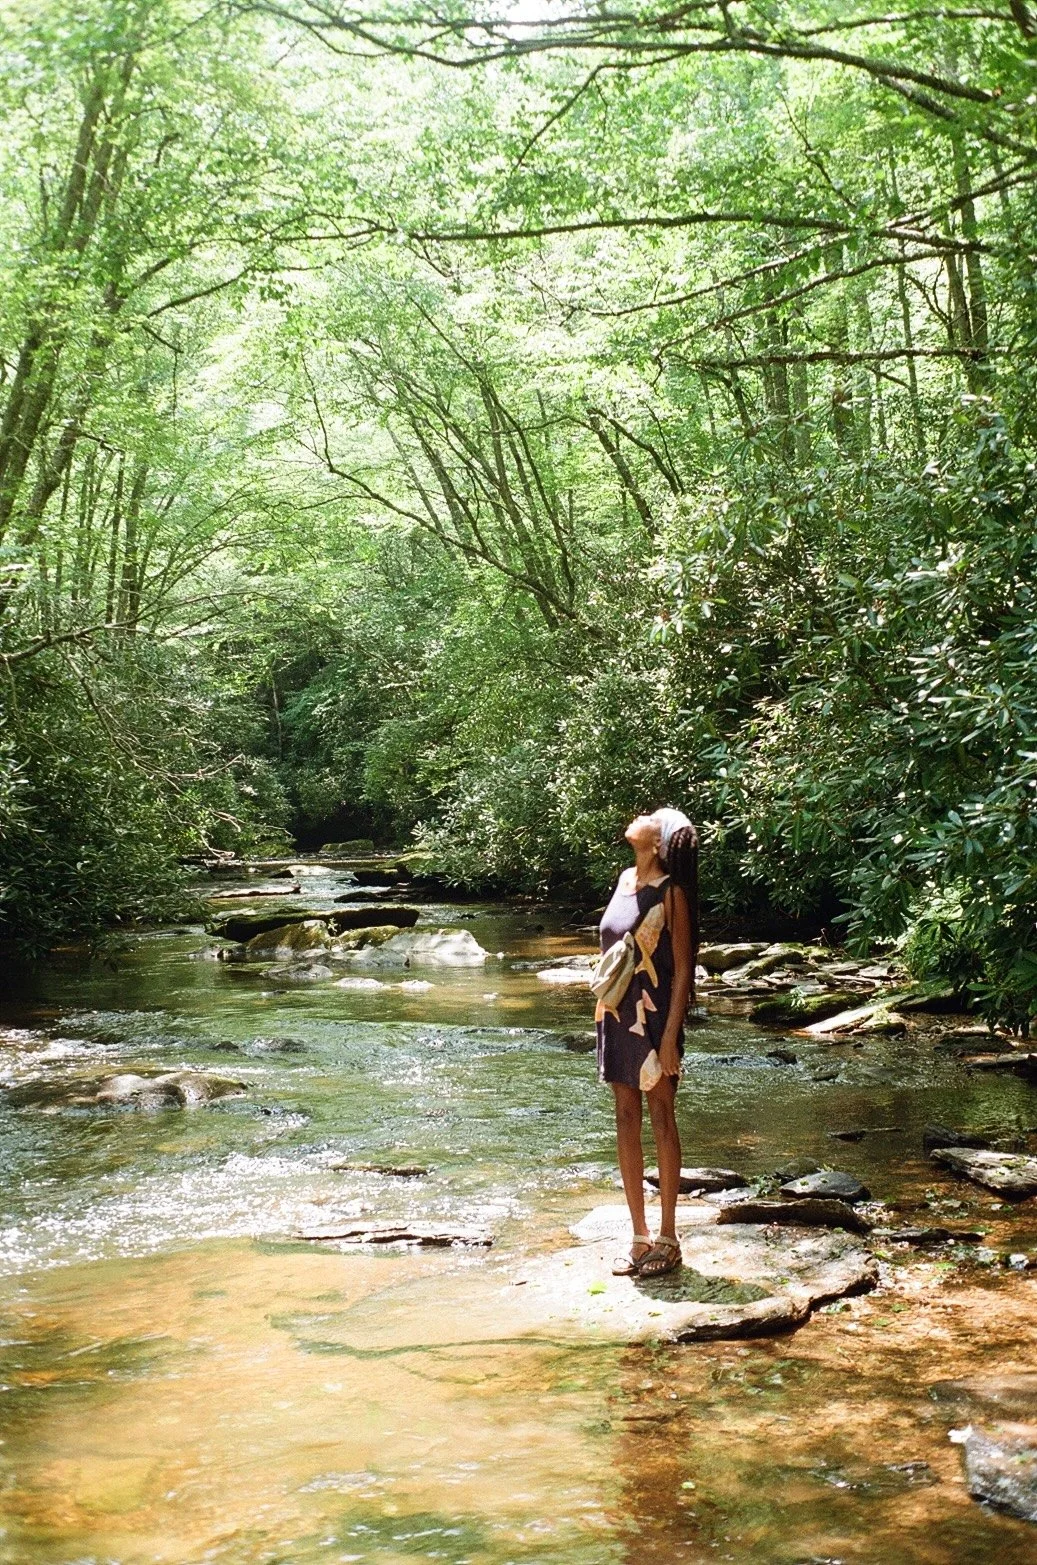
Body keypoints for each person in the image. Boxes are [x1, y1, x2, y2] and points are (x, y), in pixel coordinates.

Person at [595, 807, 699, 1278]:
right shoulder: (622, 880)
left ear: (659, 842)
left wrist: (673, 1037)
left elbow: (682, 972)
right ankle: (638, 1237)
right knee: (624, 1115)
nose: (642, 816)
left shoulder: (672, 892)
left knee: (661, 1115)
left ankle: (669, 1238)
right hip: (617, 1015)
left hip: (656, 1019)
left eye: (654, 818)